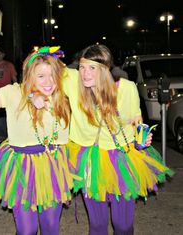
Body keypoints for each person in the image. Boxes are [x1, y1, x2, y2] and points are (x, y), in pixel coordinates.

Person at [32, 44, 174, 235]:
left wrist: (143, 138)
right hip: (87, 160)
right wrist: (34, 94)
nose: (85, 73)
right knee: (97, 225)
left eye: (92, 68)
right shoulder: (72, 81)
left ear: (106, 69)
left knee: (122, 224)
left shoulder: (127, 89)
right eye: (82, 67)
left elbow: (136, 121)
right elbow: (37, 75)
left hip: (122, 158)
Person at [0, 46, 74, 235]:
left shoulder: (63, 96)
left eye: (52, 75)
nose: (48, 82)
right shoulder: (13, 93)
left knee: (50, 227)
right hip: (23, 168)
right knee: (27, 230)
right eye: (41, 76)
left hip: (54, 167)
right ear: (29, 75)